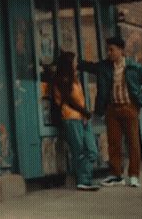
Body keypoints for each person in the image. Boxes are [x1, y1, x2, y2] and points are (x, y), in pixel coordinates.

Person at [79, 37, 142, 188]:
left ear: (121, 50)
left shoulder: (133, 67)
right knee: (113, 143)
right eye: (108, 49)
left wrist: (139, 101)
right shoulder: (105, 66)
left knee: (133, 143)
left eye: (112, 49)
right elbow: (91, 67)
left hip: (129, 108)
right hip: (112, 109)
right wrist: (75, 62)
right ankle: (116, 174)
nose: (109, 53)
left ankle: (133, 175)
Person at [52, 51, 99, 191]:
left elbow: (80, 99)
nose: (76, 64)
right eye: (74, 62)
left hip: (82, 118)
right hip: (71, 118)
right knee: (79, 150)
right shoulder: (61, 80)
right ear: (68, 64)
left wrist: (85, 114)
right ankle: (84, 180)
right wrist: (84, 112)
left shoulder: (75, 79)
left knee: (92, 150)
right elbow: (68, 100)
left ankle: (85, 179)